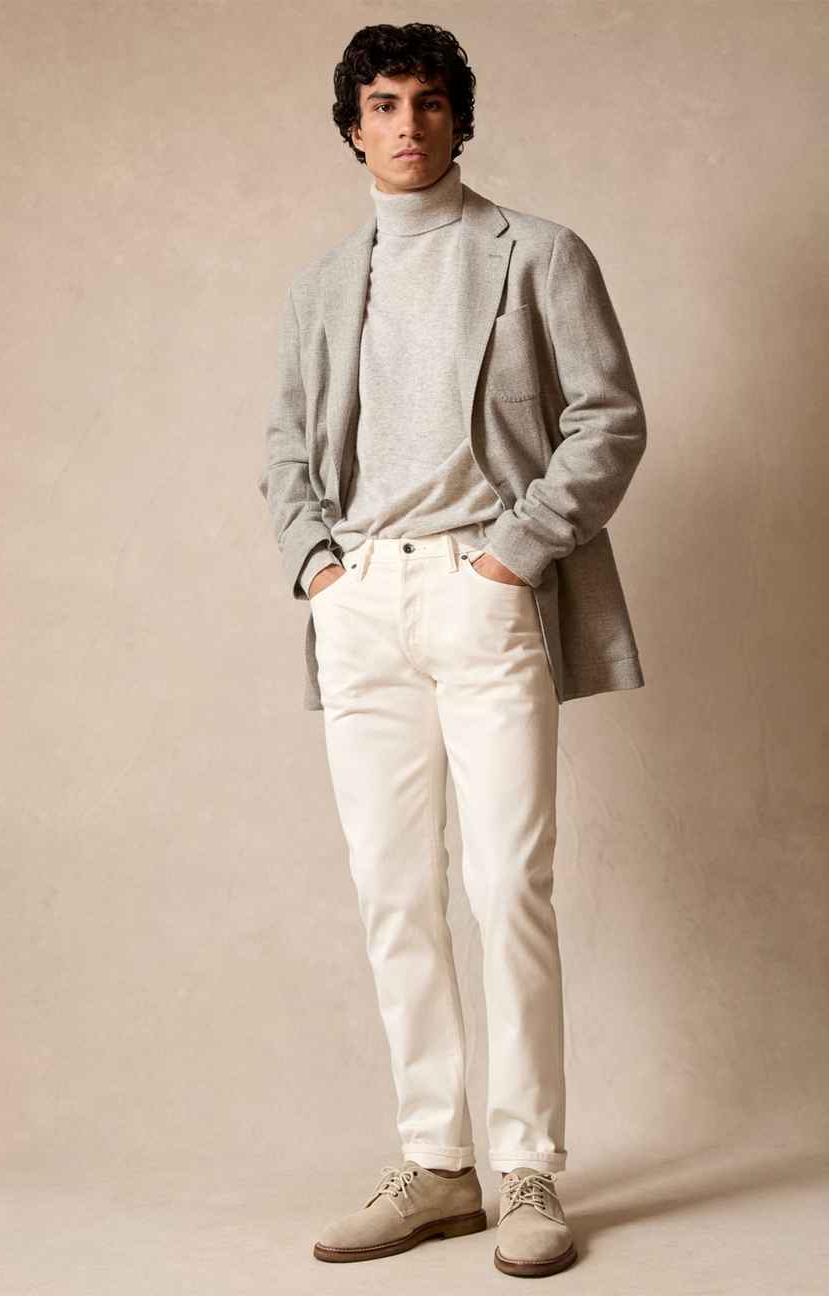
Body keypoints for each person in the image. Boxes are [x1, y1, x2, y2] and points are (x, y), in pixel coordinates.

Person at [258, 21, 647, 1279]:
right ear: (352, 126)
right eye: (382, 103)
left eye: (429, 102)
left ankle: (527, 1167)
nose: (407, 124)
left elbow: (609, 419)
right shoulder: (323, 285)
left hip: (486, 592)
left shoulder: (538, 253)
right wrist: (319, 569)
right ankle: (437, 1164)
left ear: (459, 120)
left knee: (507, 885)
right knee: (393, 892)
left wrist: (513, 557)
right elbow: (286, 448)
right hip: (364, 603)